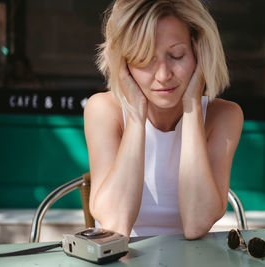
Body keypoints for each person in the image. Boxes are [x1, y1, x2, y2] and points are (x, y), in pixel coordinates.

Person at [84, 0, 243, 240]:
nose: (163, 75)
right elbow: (115, 224)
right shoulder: (103, 109)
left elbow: (197, 224)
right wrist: (137, 114)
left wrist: (191, 108)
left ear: (199, 53)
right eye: (145, 59)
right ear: (124, 62)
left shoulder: (224, 116)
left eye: (177, 55)